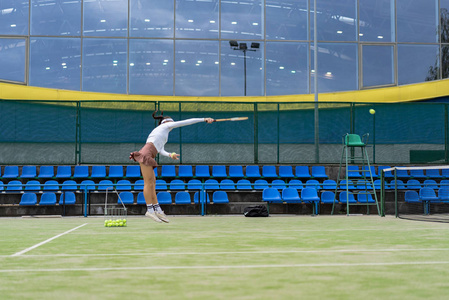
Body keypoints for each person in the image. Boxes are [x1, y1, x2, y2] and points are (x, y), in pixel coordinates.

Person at [130, 111, 214, 223]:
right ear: (167, 122)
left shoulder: (162, 134)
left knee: (152, 183)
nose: (173, 125)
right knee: (148, 183)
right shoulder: (165, 126)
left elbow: (160, 149)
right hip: (146, 154)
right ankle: (150, 210)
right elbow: (186, 122)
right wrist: (204, 119)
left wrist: (170, 155)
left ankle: (158, 210)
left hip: (150, 154)